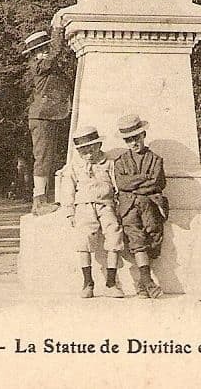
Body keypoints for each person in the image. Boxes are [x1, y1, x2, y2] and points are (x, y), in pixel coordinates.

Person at [60, 126, 125, 299]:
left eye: (91, 149)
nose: (88, 154)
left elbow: (117, 185)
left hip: (106, 205)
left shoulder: (108, 163)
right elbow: (68, 189)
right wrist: (69, 211)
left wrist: (119, 205)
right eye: (83, 151)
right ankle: (88, 282)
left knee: (114, 237)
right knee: (84, 241)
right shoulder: (74, 166)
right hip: (84, 207)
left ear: (99, 145)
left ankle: (111, 283)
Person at [112, 113, 169, 298]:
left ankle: (142, 283)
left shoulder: (156, 160)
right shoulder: (120, 161)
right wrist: (143, 178)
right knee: (136, 239)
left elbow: (157, 182)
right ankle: (148, 281)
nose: (133, 143)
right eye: (128, 140)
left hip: (151, 205)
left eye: (136, 138)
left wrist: (134, 183)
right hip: (128, 207)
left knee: (152, 237)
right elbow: (122, 184)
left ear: (143, 135)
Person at [23, 28, 72, 215]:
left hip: (49, 115)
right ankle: (39, 202)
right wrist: (58, 31)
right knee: (43, 158)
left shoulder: (47, 66)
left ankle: (43, 199)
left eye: (44, 49)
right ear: (34, 54)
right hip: (42, 117)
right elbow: (56, 52)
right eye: (40, 50)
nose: (44, 52)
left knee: (48, 158)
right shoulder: (39, 65)